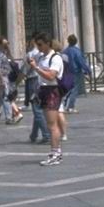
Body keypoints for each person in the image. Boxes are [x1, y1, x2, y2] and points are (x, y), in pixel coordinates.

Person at [28, 33, 67, 165]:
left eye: (40, 45)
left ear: (47, 44)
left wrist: (36, 68)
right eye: (37, 45)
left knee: (52, 125)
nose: (38, 47)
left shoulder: (55, 58)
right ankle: (55, 152)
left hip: (52, 91)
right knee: (50, 123)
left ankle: (55, 153)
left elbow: (51, 76)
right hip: (44, 90)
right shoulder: (42, 57)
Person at [62, 35, 89, 114]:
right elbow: (81, 62)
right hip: (75, 72)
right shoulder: (76, 51)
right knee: (74, 90)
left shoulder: (65, 51)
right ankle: (70, 106)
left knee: (68, 89)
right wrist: (87, 70)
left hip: (67, 72)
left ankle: (64, 104)